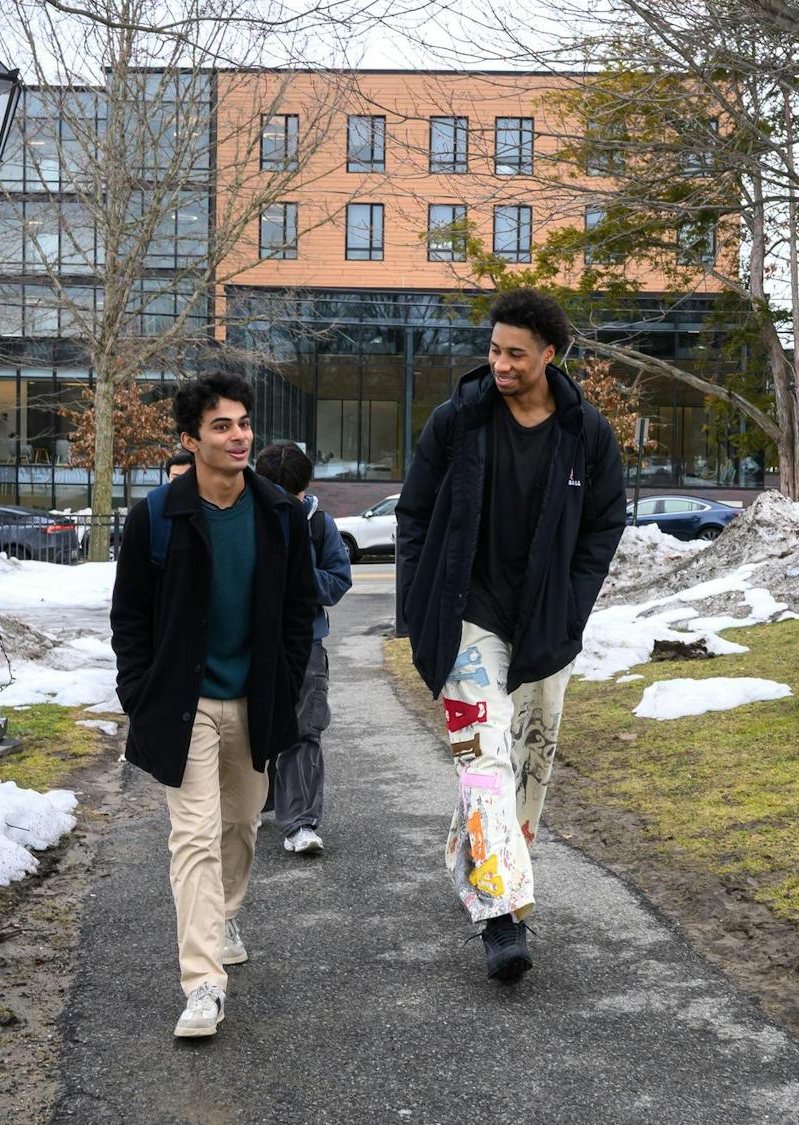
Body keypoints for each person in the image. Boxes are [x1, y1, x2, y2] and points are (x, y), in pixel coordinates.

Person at [395, 287, 628, 982]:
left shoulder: (586, 433)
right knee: (482, 758)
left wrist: (572, 607)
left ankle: (476, 857)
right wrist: (417, 603)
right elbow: (414, 513)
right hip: (466, 619)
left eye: (515, 354)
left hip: (543, 625)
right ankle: (501, 917)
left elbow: (604, 525)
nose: (500, 364)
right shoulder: (457, 420)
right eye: (494, 350)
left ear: (549, 354)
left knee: (527, 764)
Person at [110, 372, 316, 1039]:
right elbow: (129, 618)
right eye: (222, 426)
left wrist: (284, 680)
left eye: (244, 423)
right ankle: (202, 984)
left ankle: (225, 913)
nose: (239, 436)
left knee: (241, 826)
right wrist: (141, 693)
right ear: (191, 439)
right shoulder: (156, 517)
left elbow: (300, 610)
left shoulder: (279, 514)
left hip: (254, 700)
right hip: (184, 704)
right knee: (194, 835)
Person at [253, 442, 353, 856]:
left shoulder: (319, 525)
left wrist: (298, 572)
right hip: (251, 641)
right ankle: (254, 802)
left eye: (292, 494)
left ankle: (301, 823)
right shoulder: (243, 519)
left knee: (304, 729)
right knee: (248, 726)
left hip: (306, 643)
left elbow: (338, 581)